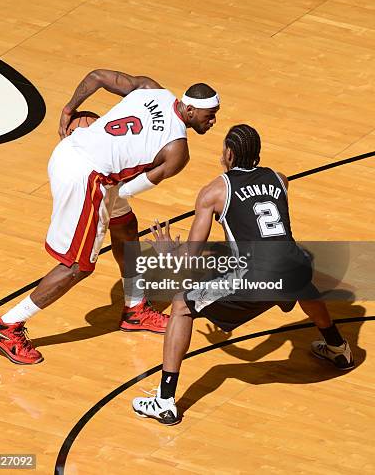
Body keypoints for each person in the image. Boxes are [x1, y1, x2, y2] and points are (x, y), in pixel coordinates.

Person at [0, 69, 220, 365]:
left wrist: (70, 108)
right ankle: (8, 326)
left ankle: (135, 310)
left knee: (126, 227)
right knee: (77, 266)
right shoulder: (177, 150)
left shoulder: (150, 89)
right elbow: (130, 188)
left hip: (70, 149)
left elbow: (96, 77)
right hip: (88, 177)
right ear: (188, 109)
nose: (212, 122)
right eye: (208, 115)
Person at [132, 124, 354, 425]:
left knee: (182, 304)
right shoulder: (279, 179)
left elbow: (191, 256)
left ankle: (165, 401)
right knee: (302, 281)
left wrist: (169, 251)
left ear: (229, 153)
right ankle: (339, 348)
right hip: (295, 265)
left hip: (258, 275)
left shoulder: (214, 192)